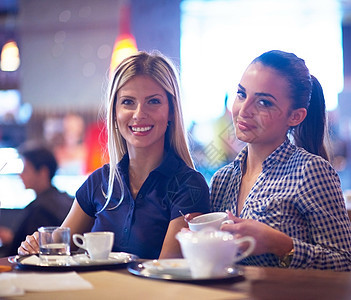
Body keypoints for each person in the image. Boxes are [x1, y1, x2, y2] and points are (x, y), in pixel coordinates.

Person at [18, 51, 210, 259]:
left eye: (153, 101)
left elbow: (166, 273)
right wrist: (36, 246)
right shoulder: (98, 182)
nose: (139, 114)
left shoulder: (189, 187)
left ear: (172, 111)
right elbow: (54, 254)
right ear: (115, 113)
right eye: (128, 102)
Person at [208, 50, 351, 271]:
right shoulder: (222, 180)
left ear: (295, 116)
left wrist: (280, 245)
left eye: (264, 103)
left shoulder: (310, 171)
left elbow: (349, 267)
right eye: (241, 94)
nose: (244, 110)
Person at [1, 144, 73, 256]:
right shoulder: (64, 198)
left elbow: (33, 247)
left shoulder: (41, 209)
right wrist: (11, 237)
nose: (20, 175)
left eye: (25, 169)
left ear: (43, 172)